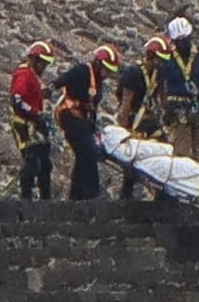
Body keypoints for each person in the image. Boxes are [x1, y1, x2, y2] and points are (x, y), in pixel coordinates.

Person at [53, 44, 119, 200]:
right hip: (71, 117)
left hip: (84, 121)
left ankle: (76, 198)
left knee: (83, 157)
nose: (107, 73)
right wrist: (49, 89)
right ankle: (91, 195)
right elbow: (63, 79)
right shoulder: (82, 70)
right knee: (89, 154)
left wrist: (93, 127)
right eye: (105, 68)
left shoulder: (99, 80)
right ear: (98, 63)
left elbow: (93, 107)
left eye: (110, 70)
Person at [160, 16, 199, 162]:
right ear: (174, 41)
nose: (183, 44)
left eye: (186, 40)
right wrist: (165, 108)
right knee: (181, 154)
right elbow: (161, 83)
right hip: (179, 110)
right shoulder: (168, 58)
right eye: (179, 41)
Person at [116, 36, 172, 199]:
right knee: (133, 156)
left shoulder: (158, 72)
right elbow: (126, 104)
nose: (160, 63)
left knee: (164, 148)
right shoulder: (133, 73)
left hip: (148, 118)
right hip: (134, 119)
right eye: (158, 59)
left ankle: (162, 193)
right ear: (150, 56)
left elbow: (162, 96)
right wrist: (124, 130)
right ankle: (126, 194)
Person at [9, 40, 56, 200]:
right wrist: (35, 115)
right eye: (42, 63)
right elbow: (17, 100)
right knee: (31, 163)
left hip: (36, 125)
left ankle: (46, 199)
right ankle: (26, 199)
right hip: (25, 126)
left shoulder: (32, 76)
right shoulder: (24, 74)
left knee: (45, 163)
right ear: (34, 60)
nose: (44, 68)